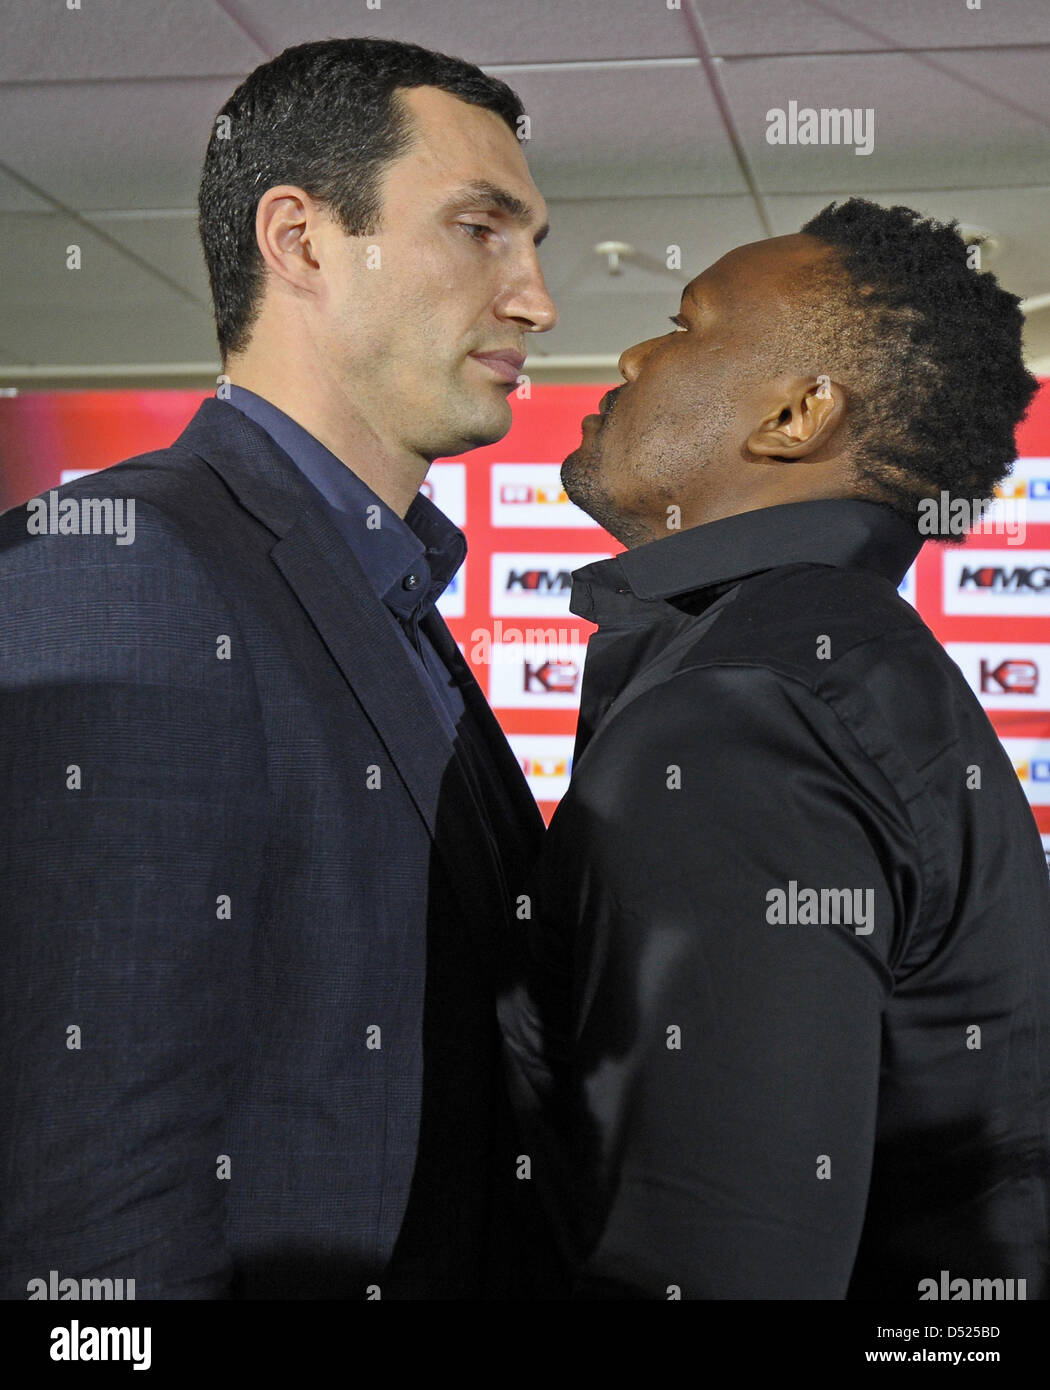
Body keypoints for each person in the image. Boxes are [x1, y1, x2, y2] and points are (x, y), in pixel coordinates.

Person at [0, 36, 557, 1299]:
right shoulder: (124, 570)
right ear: (301, 241)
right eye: (481, 229)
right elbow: (91, 1183)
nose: (535, 298)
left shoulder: (385, 584)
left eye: (534, 243)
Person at [503, 198, 1050, 1300]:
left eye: (686, 324)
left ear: (797, 415)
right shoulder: (820, 665)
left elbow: (709, 1267)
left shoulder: (741, 712)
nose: (635, 351)